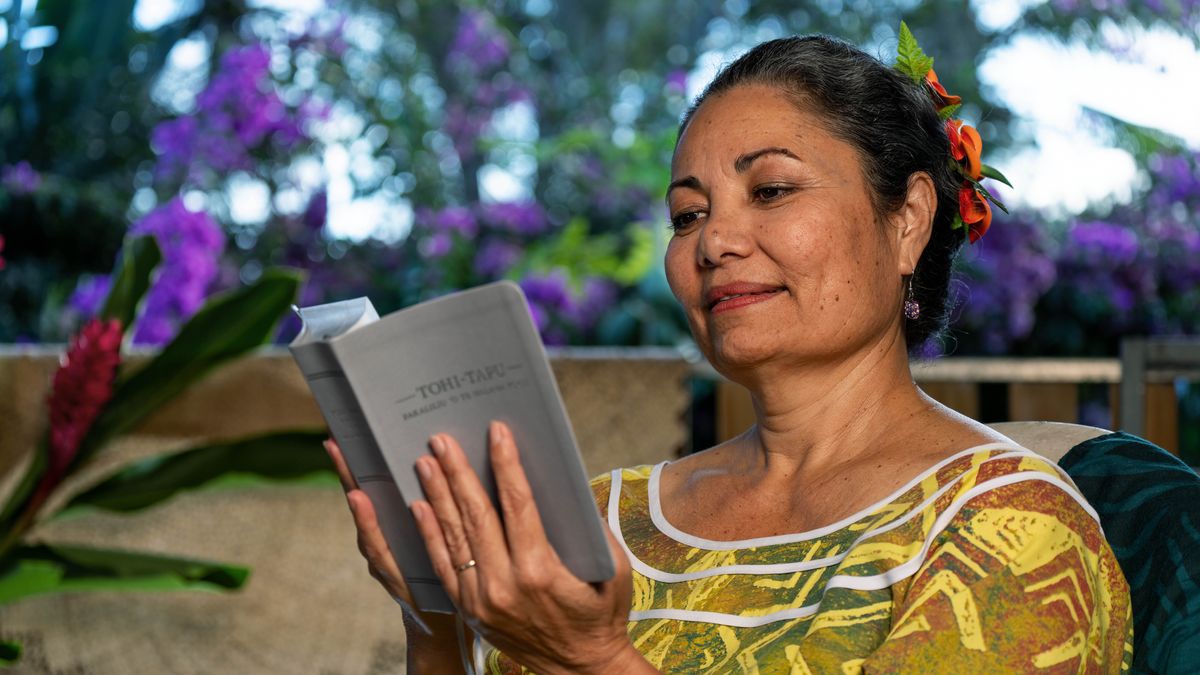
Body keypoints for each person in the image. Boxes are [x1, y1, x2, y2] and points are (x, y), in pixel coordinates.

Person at [325, 32, 1133, 673]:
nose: (714, 241)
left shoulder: (1013, 528)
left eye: (771, 190)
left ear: (908, 220)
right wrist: (437, 622)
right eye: (687, 216)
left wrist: (592, 659)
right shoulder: (596, 519)